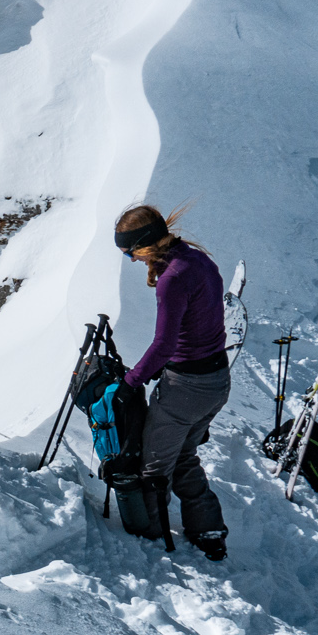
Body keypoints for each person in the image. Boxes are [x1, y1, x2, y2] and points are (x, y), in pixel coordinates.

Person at [116, 204, 229, 560]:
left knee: (155, 466)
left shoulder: (173, 279)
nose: (131, 260)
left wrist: (131, 382)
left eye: (129, 251)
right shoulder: (198, 260)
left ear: (145, 244)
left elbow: (164, 345)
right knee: (183, 454)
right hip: (216, 382)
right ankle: (207, 528)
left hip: (187, 387)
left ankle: (149, 535)